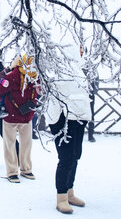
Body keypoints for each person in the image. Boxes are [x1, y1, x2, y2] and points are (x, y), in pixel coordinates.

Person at [45, 49, 92, 214]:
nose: (81, 51)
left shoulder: (80, 71)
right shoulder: (58, 68)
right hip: (62, 118)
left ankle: (70, 191)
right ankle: (61, 197)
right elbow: (55, 94)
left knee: (75, 155)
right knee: (65, 157)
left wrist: (86, 117)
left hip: (78, 118)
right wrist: (58, 121)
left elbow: (84, 95)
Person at [0, 54, 38, 183]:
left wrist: (7, 102)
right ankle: (26, 169)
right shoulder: (34, 77)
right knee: (26, 144)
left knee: (10, 145)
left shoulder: (11, 77)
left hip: (11, 115)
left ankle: (12, 172)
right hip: (26, 115)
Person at [80, 45, 99, 142]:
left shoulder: (90, 64)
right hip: (79, 94)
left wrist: (93, 91)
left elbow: (95, 78)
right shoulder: (76, 64)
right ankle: (80, 133)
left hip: (89, 93)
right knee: (79, 114)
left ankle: (91, 134)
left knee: (91, 114)